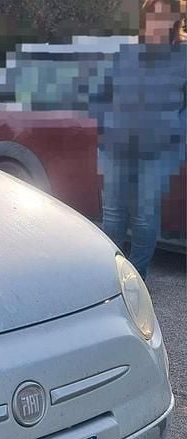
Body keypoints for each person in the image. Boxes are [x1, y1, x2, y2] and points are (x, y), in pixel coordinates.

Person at [92, 0, 187, 278]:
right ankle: (110, 275)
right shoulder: (126, 50)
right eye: (152, 14)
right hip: (116, 146)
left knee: (145, 217)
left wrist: (173, 132)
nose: (158, 21)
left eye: (164, 16)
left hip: (157, 151)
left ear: (175, 20)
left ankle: (136, 277)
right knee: (112, 216)